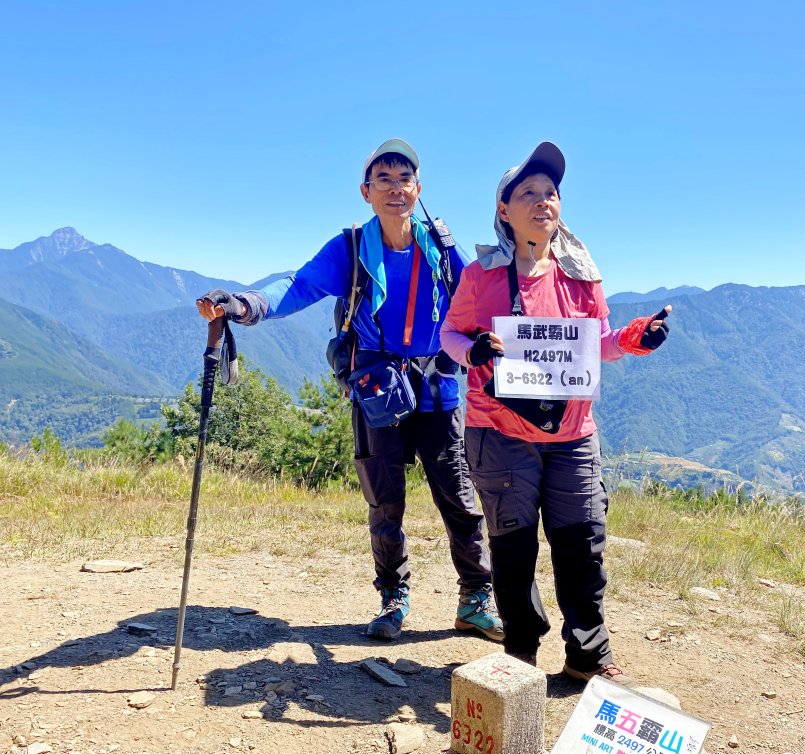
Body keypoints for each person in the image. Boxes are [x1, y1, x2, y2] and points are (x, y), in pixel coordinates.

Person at [195, 139, 502, 643]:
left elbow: (479, 298)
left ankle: (474, 598)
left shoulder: (444, 249)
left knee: (460, 500)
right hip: (378, 390)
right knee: (385, 504)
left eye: (405, 178)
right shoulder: (352, 248)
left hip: (439, 389)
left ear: (418, 189)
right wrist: (247, 304)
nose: (396, 188)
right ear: (366, 192)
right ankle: (393, 597)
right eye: (384, 179)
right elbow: (299, 284)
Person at [440, 141, 671, 683]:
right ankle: (519, 655)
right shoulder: (481, 276)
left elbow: (596, 343)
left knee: (581, 543)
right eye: (528, 193)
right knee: (513, 549)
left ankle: (587, 655)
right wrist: (469, 351)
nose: (543, 201)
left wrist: (635, 338)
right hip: (499, 431)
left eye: (551, 192)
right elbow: (450, 333)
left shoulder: (583, 274)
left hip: (571, 433)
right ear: (504, 209)